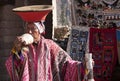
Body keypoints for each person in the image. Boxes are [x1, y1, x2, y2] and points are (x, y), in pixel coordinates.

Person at [5, 5, 94, 81]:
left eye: (33, 29)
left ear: (40, 30)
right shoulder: (23, 48)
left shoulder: (50, 46)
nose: (30, 31)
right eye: (28, 28)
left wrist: (82, 67)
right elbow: (14, 64)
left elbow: (65, 64)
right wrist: (17, 50)